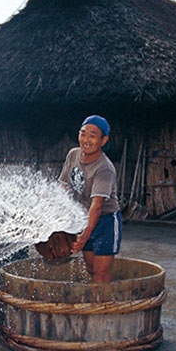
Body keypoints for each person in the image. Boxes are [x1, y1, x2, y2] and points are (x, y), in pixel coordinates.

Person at [58, 115, 121, 283]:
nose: (86, 140)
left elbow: (97, 206)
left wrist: (85, 235)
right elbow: (63, 186)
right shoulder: (73, 155)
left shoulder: (104, 168)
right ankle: (99, 299)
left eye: (92, 136)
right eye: (83, 134)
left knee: (101, 275)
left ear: (103, 140)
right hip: (84, 217)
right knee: (91, 268)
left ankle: (101, 307)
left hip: (105, 221)